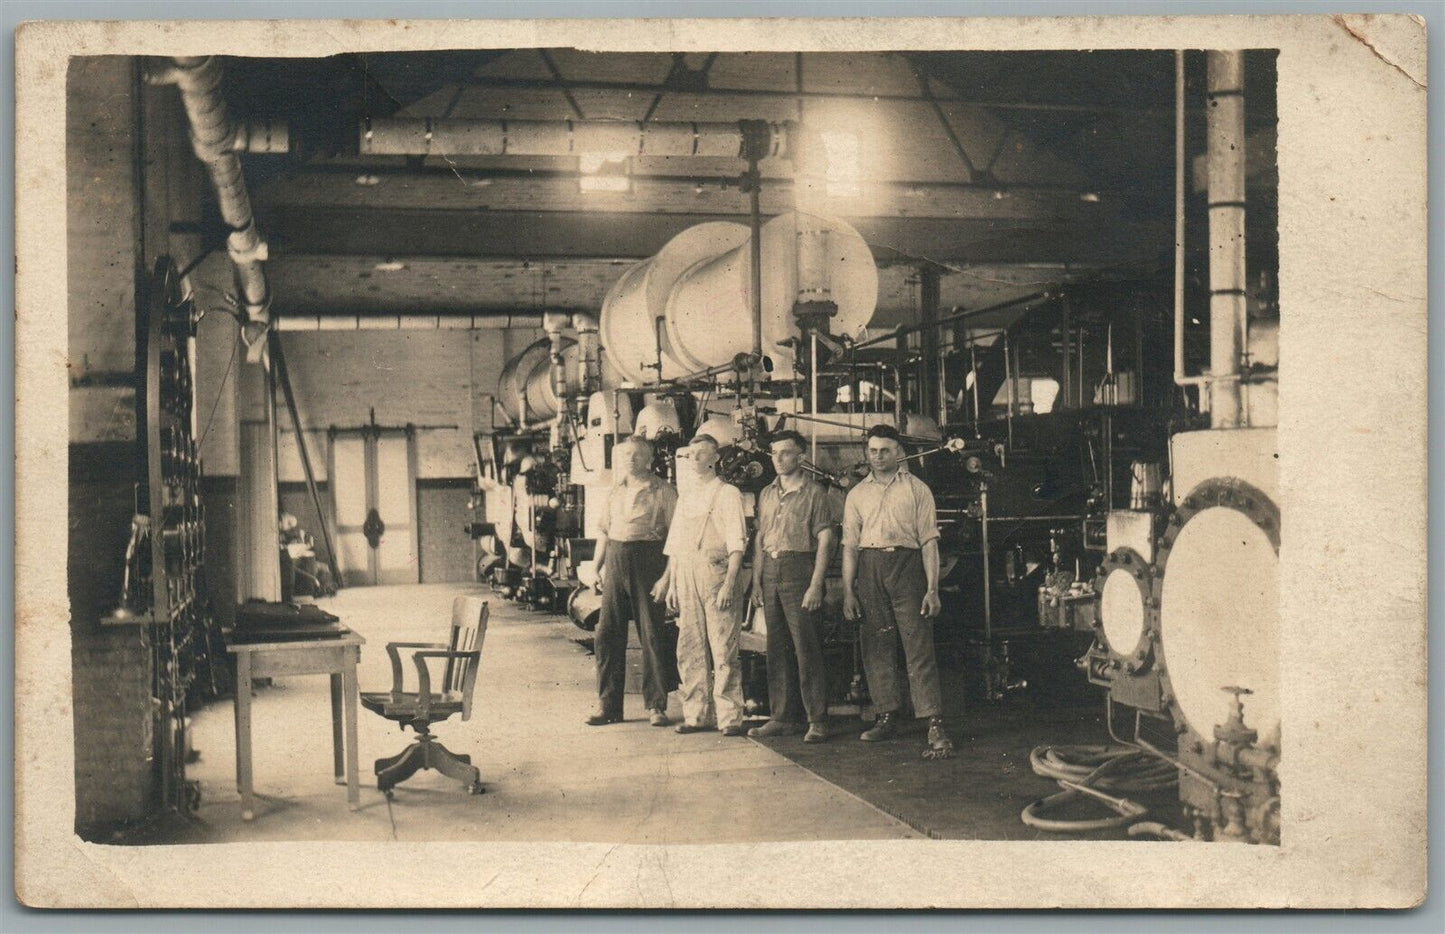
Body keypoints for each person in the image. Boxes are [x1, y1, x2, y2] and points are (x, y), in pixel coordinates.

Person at [841, 423, 956, 758]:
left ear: (900, 452)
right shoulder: (857, 494)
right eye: (873, 450)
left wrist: (932, 589)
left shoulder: (918, 490)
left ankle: (933, 721)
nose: (878, 457)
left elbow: (929, 543)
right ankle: (886, 714)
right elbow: (849, 546)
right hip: (869, 567)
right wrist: (848, 590)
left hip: (907, 568)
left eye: (885, 450)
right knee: (876, 646)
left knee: (917, 646)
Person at [652, 433, 749, 736]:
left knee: (723, 647)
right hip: (686, 572)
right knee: (689, 646)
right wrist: (670, 583)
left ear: (715, 458)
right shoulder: (687, 497)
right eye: (690, 455)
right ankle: (696, 714)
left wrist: (729, 585)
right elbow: (676, 546)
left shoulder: (727, 493)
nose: (694, 460)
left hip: (717, 572)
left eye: (701, 454)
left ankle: (730, 717)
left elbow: (737, 545)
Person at [748, 430, 837, 744]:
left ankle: (818, 719)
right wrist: (757, 580)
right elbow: (759, 539)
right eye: (774, 453)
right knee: (777, 648)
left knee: (806, 648)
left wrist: (816, 584)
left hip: (801, 569)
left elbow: (826, 539)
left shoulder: (815, 494)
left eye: (786, 453)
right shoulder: (767, 493)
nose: (778, 459)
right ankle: (783, 717)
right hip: (771, 571)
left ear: (801, 456)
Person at [587, 436, 679, 727]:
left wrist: (667, 578)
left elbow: (677, 540)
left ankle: (656, 706)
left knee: (652, 635)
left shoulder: (664, 491)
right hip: (615, 558)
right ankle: (609, 706)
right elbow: (604, 531)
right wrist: (595, 567)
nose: (631, 459)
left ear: (649, 460)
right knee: (607, 634)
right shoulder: (615, 491)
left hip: (648, 560)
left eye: (638, 455)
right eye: (626, 454)